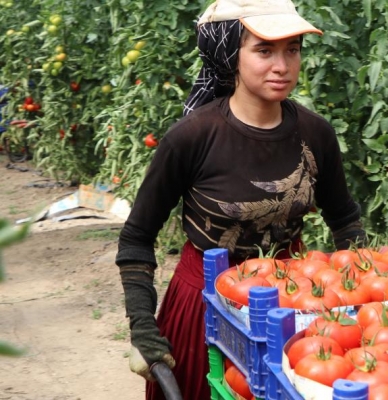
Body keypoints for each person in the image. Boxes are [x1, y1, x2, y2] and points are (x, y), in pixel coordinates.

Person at [115, 0, 367, 398]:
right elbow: (136, 238)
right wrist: (143, 327)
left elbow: (345, 220)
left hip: (292, 309)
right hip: (204, 311)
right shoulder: (192, 138)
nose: (282, 65)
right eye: (264, 50)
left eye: (293, 49)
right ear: (230, 54)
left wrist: (363, 297)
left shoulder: (316, 134)